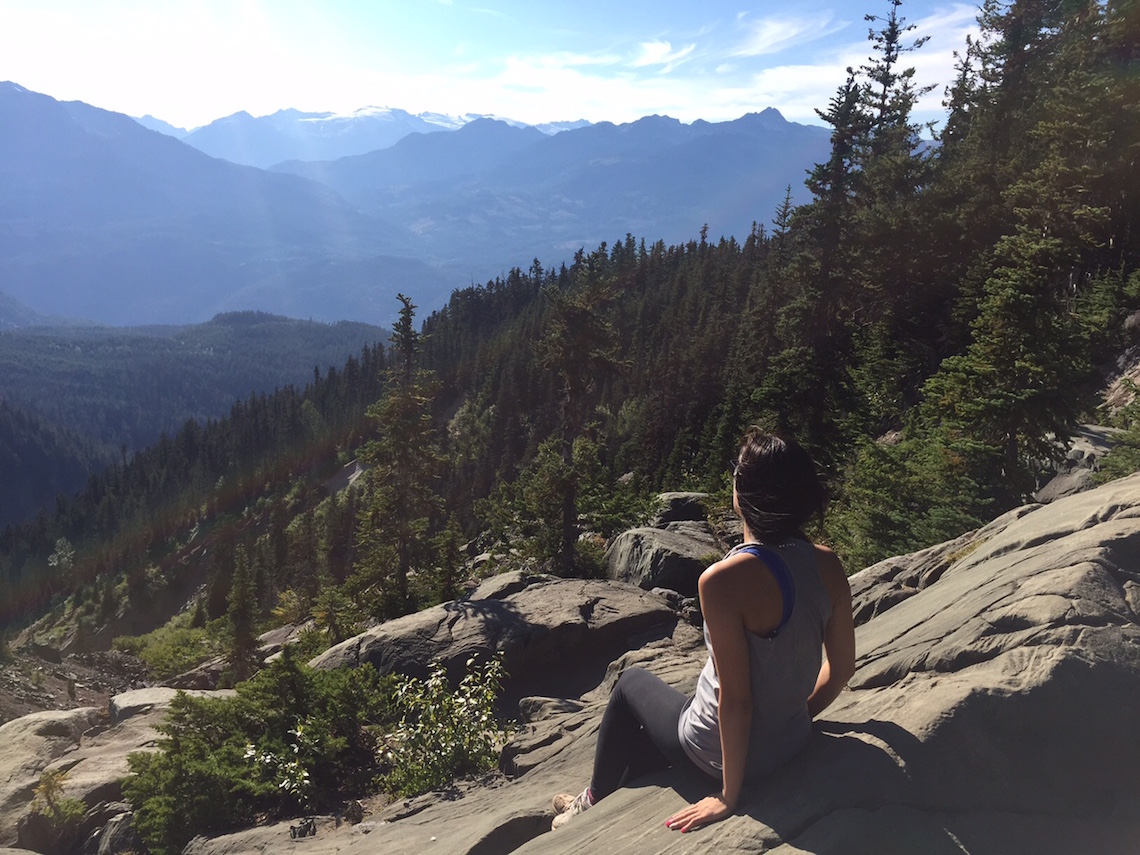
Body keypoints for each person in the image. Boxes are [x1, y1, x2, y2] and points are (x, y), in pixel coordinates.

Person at [551, 429, 856, 833]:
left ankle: (587, 803)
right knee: (657, 730)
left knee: (629, 684)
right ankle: (602, 787)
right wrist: (793, 719)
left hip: (720, 756)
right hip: (791, 741)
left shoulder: (723, 580)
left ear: (745, 494)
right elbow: (843, 669)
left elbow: (737, 701)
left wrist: (729, 795)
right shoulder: (827, 564)